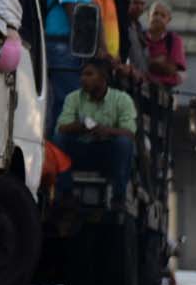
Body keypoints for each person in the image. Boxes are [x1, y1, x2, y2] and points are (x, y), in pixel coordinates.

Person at [51, 61, 136, 206]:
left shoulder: (122, 99)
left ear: (103, 78)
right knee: (58, 139)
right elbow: (61, 127)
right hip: (82, 150)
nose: (83, 79)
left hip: (107, 153)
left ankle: (118, 198)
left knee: (124, 143)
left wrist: (105, 131)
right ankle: (66, 193)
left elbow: (129, 132)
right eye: (82, 75)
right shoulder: (73, 98)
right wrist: (81, 126)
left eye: (89, 74)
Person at [43, 0, 99, 127]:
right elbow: (73, 12)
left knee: (69, 103)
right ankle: (53, 153)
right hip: (60, 46)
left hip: (74, 48)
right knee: (62, 103)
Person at [144, 1, 187, 88]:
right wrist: (159, 62)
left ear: (168, 20)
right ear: (149, 16)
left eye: (163, 15)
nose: (158, 17)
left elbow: (170, 70)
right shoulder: (138, 36)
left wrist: (146, 61)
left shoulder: (174, 40)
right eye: (155, 13)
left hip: (165, 91)